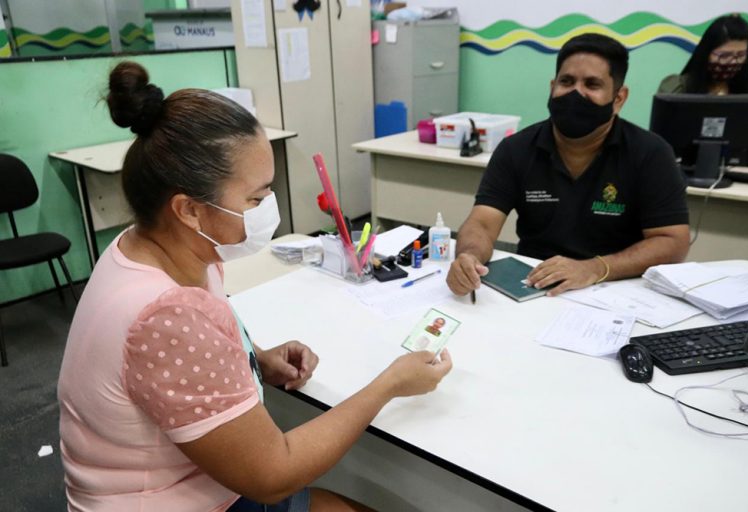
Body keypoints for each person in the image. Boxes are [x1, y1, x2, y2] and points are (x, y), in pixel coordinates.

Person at [57, 61, 452, 512]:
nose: (269, 208)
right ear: (189, 210)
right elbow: (272, 475)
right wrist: (389, 384)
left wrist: (254, 357)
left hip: (188, 477)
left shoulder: (158, 247)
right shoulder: (166, 313)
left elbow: (168, 366)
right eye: (255, 198)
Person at [447, 33, 690, 298]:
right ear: (552, 86)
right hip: (536, 287)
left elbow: (672, 242)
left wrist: (595, 268)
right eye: (567, 82)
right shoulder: (516, 149)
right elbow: (482, 222)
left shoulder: (651, 153)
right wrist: (469, 256)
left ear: (619, 98)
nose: (576, 93)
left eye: (592, 84)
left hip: (619, 289)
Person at [658, 14, 748, 95]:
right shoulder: (677, 88)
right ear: (706, 53)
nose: (734, 61)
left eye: (741, 55)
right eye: (724, 56)